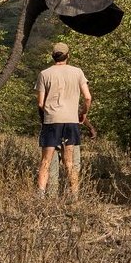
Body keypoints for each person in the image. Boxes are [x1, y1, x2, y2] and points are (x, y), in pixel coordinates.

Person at [35, 42, 92, 197]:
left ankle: (40, 196)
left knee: (46, 162)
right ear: (68, 55)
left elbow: (40, 103)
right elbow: (87, 97)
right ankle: (74, 196)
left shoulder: (44, 74)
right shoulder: (78, 72)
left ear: (53, 56)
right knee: (70, 162)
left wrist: (44, 117)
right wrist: (82, 113)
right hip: (71, 121)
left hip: (52, 121)